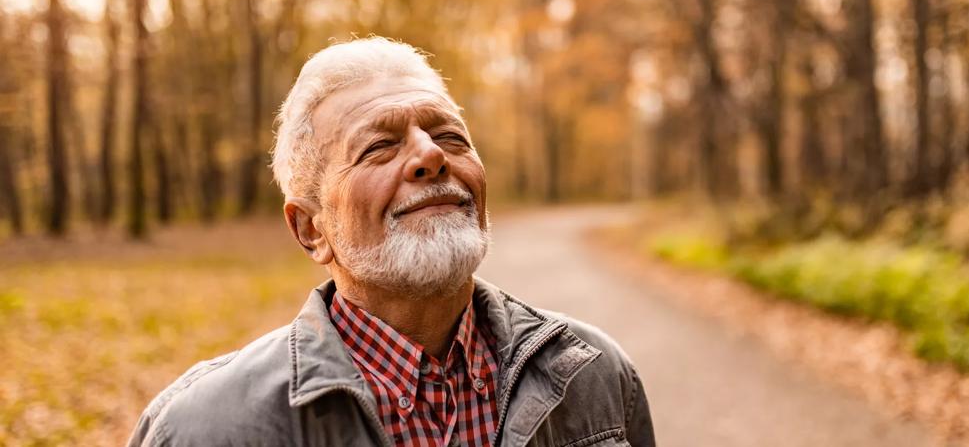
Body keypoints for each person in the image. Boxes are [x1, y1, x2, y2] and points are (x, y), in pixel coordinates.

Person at [128, 37, 655, 447]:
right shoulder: (203, 428)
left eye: (450, 137)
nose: (432, 156)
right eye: (379, 146)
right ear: (311, 228)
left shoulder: (595, 375)